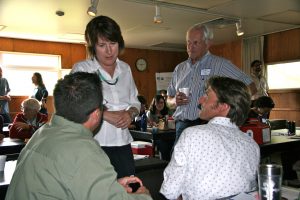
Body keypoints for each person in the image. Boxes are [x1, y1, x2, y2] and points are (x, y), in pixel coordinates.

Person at [5, 72, 152, 200]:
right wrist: (143, 195)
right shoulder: (84, 150)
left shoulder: (42, 133)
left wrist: (107, 186)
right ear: (96, 114)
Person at [160, 76, 260, 200]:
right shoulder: (252, 145)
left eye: (207, 96)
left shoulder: (192, 135)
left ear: (224, 106)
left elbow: (169, 191)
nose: (200, 100)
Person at [71, 15, 140, 179]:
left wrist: (130, 114)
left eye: (113, 44)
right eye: (102, 45)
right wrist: (104, 114)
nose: (109, 51)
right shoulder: (82, 69)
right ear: (92, 47)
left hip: (123, 144)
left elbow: (136, 101)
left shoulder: (125, 69)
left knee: (129, 191)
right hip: (94, 146)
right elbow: (73, 108)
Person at [167, 23, 257, 144]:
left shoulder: (221, 65)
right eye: (188, 42)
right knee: (181, 161)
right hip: (181, 126)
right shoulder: (179, 69)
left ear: (208, 44)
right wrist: (174, 101)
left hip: (208, 125)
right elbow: (168, 100)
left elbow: (251, 86)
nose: (190, 47)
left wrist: (229, 105)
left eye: (195, 43)